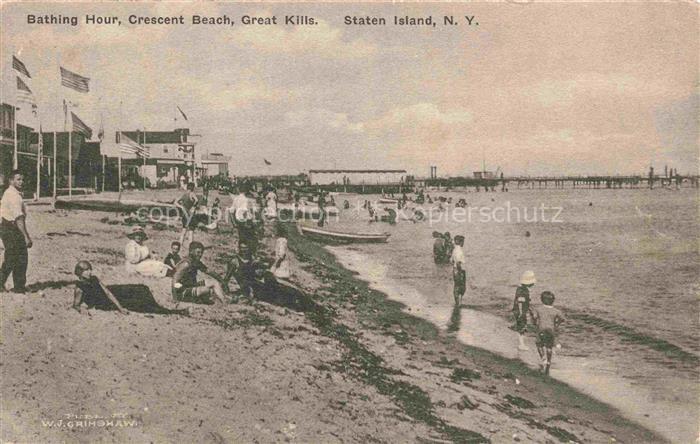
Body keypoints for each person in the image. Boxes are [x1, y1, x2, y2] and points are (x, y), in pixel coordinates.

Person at [0, 170, 31, 293]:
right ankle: (18, 287)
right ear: (11, 181)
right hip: (11, 228)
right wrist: (26, 237)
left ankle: (18, 286)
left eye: (22, 179)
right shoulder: (13, 195)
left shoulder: (11, 193)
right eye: (18, 179)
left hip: (7, 227)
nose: (21, 182)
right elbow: (19, 219)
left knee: (14, 257)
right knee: (18, 257)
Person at [531, 291, 565, 374]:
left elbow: (535, 318)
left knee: (539, 344)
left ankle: (543, 358)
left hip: (541, 329)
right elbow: (562, 319)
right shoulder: (556, 311)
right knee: (549, 347)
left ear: (542, 300)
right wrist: (557, 324)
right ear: (553, 300)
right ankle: (549, 362)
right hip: (551, 330)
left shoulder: (538, 309)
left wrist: (532, 317)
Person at [512, 270, 536, 351]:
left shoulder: (521, 289)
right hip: (520, 312)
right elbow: (520, 302)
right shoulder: (523, 291)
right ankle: (521, 344)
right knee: (521, 327)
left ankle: (521, 343)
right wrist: (522, 314)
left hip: (519, 311)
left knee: (521, 327)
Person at [450, 235, 466, 306]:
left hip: (454, 269)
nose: (463, 243)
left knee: (456, 286)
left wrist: (455, 268)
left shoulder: (454, 250)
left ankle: (457, 302)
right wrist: (461, 272)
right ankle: (459, 303)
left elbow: (452, 261)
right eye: (462, 241)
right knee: (461, 287)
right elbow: (458, 263)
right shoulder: (459, 251)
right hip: (459, 270)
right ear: (460, 242)